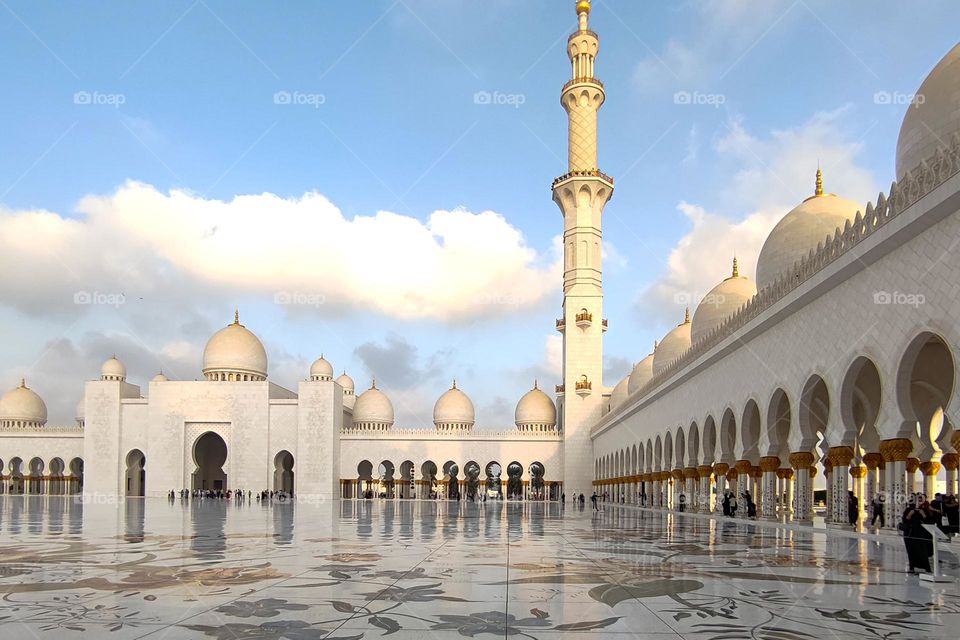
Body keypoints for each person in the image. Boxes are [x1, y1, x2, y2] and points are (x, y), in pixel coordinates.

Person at [901, 499, 932, 573]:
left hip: (921, 533)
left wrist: (923, 514)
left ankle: (927, 568)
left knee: (923, 551)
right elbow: (905, 520)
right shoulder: (908, 510)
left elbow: (928, 521)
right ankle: (912, 567)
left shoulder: (923, 510)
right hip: (910, 534)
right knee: (911, 551)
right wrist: (910, 514)